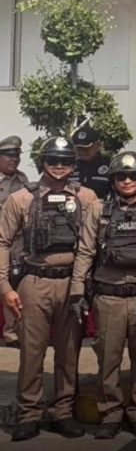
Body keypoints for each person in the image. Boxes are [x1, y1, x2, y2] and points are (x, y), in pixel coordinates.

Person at [0, 136, 98, 441]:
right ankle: (28, 413)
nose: (58, 166)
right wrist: (5, 287)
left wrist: (84, 286)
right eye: (52, 160)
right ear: (42, 162)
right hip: (34, 282)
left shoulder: (87, 198)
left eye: (65, 161)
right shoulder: (21, 198)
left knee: (69, 351)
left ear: (73, 164)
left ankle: (62, 412)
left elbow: (93, 243)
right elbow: (2, 242)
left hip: (72, 282)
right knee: (32, 352)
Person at [71, 151, 136, 440]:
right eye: (121, 176)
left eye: (134, 175)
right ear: (112, 180)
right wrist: (77, 291)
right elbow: (85, 251)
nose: (127, 180)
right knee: (107, 359)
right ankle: (110, 411)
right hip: (108, 296)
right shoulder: (98, 210)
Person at [0, 135, 29, 347]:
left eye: (16, 156)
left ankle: (12, 333)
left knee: (14, 284)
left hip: (16, 242)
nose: (14, 159)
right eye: (9, 155)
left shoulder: (22, 179)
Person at [71, 122, 111, 200]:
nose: (82, 152)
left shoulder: (110, 167)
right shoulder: (70, 167)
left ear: (99, 145)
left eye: (86, 148)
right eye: (79, 148)